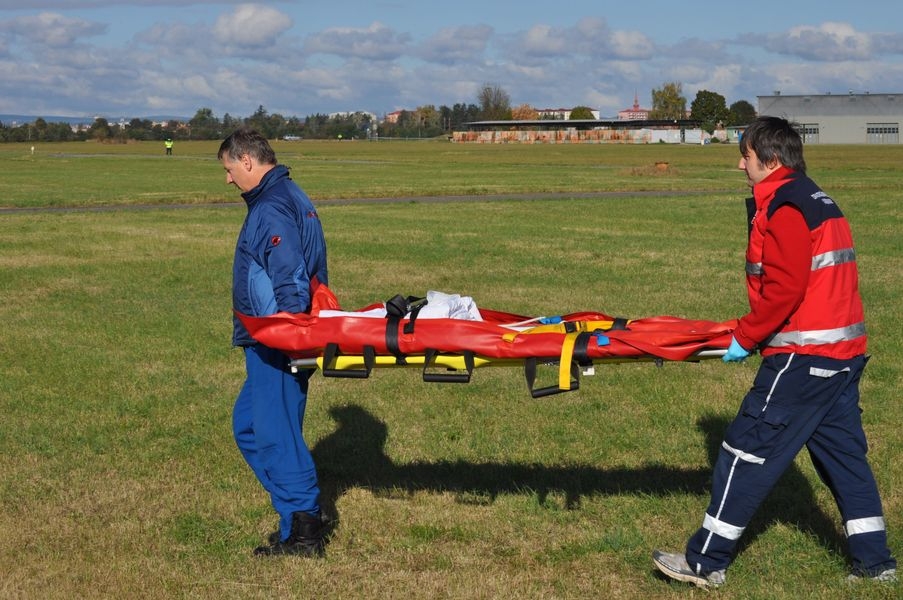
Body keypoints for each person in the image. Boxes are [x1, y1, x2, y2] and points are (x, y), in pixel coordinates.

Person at [652, 116, 896, 588]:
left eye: (744, 155)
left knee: (743, 452)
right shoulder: (815, 197)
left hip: (804, 359)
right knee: (845, 461)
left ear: (770, 159)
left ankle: (705, 562)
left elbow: (784, 290)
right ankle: (876, 565)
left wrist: (747, 336)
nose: (739, 164)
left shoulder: (786, 206)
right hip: (841, 358)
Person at [218, 128, 331, 557]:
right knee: (248, 426)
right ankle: (297, 516)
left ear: (247, 161)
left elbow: (290, 276)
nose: (228, 179)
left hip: (278, 339)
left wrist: (292, 336)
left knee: (275, 434)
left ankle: (304, 531)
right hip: (273, 337)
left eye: (229, 169)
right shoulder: (288, 194)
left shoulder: (271, 206)